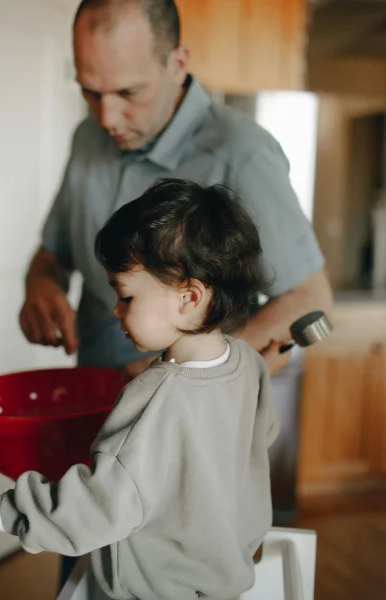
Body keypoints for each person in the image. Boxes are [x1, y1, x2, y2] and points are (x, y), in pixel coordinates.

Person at [0, 179, 280, 600]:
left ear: (189, 298)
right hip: (224, 579)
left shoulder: (153, 399)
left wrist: (3, 512)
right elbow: (257, 443)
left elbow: (99, 506)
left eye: (126, 297)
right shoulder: (248, 364)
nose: (115, 310)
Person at [18, 0, 333, 379]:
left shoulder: (242, 153)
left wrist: (174, 375)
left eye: (129, 92)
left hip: (194, 419)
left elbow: (309, 298)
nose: (107, 118)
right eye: (91, 93)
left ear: (177, 63)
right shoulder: (87, 137)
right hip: (96, 398)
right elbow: (53, 254)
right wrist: (40, 284)